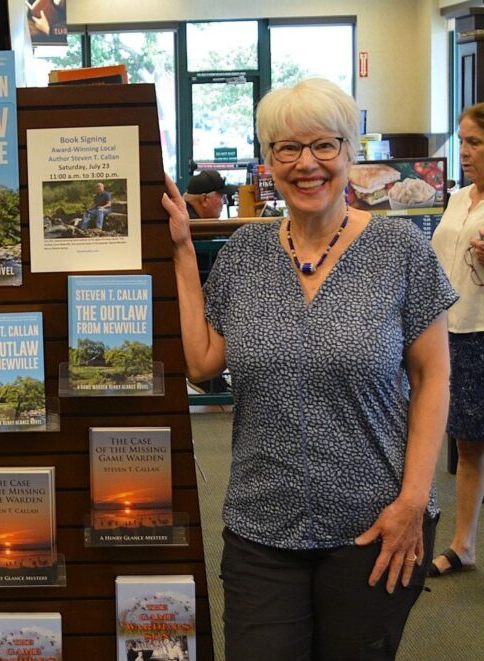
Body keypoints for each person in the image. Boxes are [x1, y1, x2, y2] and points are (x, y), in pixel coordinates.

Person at [162, 78, 456, 659]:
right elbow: (202, 362)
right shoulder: (244, 254)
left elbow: (432, 378)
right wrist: (181, 250)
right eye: (288, 148)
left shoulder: (400, 249)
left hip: (375, 521)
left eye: (324, 145)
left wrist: (412, 503)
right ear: (269, 160)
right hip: (261, 523)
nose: (307, 164)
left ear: (349, 152)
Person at [427, 103, 484, 578]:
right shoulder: (459, 197)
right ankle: (463, 545)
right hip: (454, 330)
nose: (463, 152)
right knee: (467, 445)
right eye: (462, 141)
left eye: (475, 143)